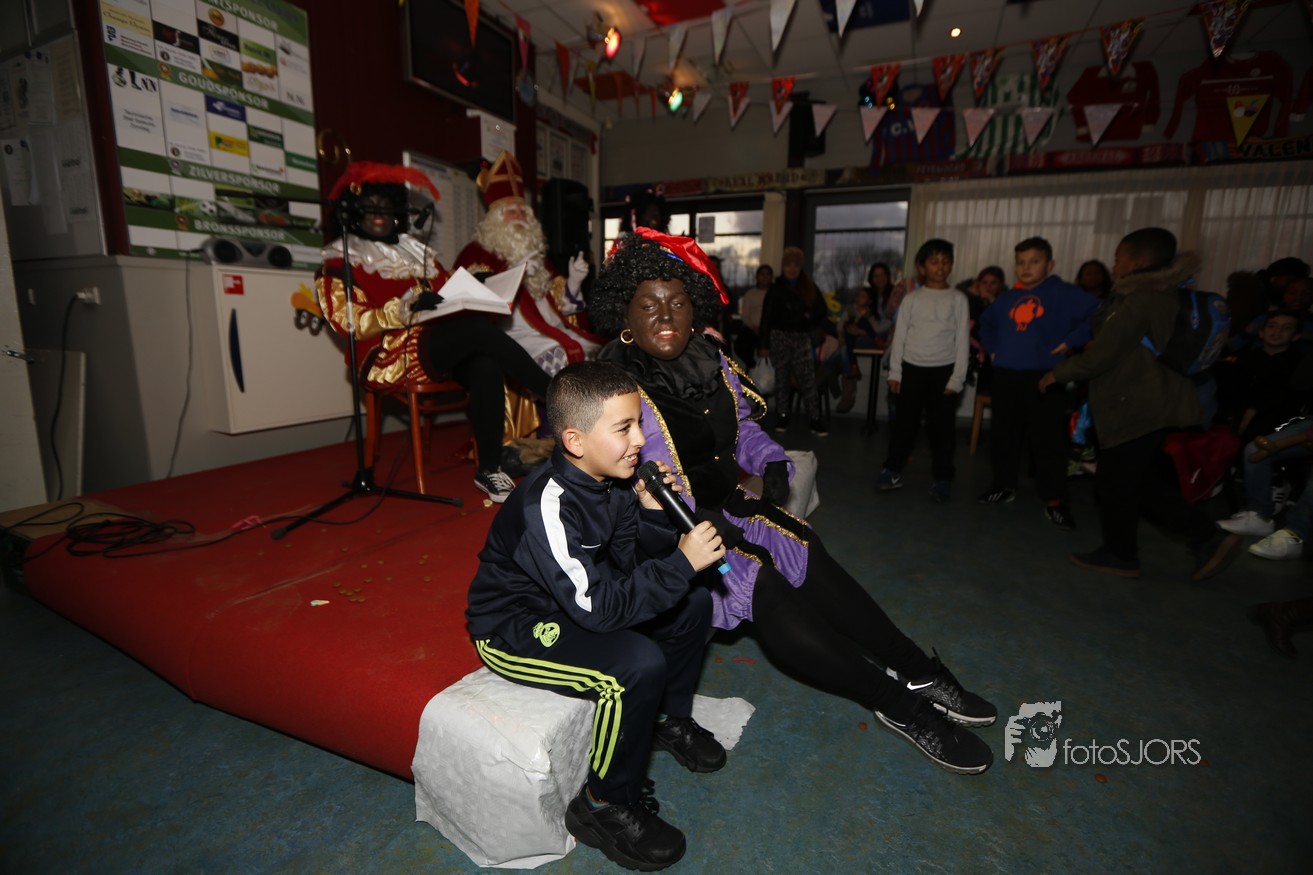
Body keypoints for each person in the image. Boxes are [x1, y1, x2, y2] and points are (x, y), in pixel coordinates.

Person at [594, 228, 996, 777]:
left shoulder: (710, 359)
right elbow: (630, 480)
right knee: (764, 587)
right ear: (625, 312)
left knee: (806, 549)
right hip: (661, 532)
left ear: (695, 308)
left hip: (723, 506)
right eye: (648, 305)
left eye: (678, 302)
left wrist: (773, 461)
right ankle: (900, 706)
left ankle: (915, 670)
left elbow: (743, 430)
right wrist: (694, 523)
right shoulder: (611, 386)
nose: (665, 316)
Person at [465, 360, 727, 872]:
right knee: (635, 664)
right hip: (516, 625)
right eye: (624, 428)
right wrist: (680, 563)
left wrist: (652, 515)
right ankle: (603, 804)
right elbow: (601, 610)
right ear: (575, 440)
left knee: (694, 602)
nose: (640, 441)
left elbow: (629, 565)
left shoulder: (613, 483)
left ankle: (668, 719)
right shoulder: (546, 503)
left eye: (639, 424)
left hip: (578, 600)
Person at [315, 162, 551, 503]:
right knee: (475, 331)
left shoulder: (414, 250)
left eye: (386, 206)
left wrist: (473, 282)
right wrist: (403, 309)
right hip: (387, 354)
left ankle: (489, 468)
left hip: (437, 346)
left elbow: (446, 287)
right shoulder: (338, 261)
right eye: (370, 207)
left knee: (485, 362)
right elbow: (348, 322)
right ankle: (553, 392)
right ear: (352, 213)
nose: (380, 214)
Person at [1040, 227, 1240, 580]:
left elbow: (1103, 354)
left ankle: (1151, 548)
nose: (1114, 264)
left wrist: (1056, 374)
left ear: (1138, 261)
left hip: (1138, 402)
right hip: (1154, 400)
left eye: (1118, 257)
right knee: (1136, 479)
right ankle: (1192, 540)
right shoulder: (1165, 292)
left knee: (1116, 482)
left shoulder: (1140, 298)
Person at [977, 237, 1099, 529]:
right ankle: (1004, 485)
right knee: (1003, 436)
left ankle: (1055, 499)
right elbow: (986, 323)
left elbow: (1101, 313)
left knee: (1048, 440)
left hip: (1045, 378)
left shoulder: (1063, 293)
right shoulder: (1008, 297)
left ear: (1050, 264)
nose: (1026, 267)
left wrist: (1072, 340)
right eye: (1020, 262)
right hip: (1006, 376)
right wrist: (992, 349)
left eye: (1034, 261)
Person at [455, 150, 602, 380]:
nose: (519, 217)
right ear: (495, 219)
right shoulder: (475, 254)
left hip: (550, 330)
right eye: (511, 212)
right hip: (513, 336)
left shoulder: (537, 255)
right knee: (563, 357)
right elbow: (470, 309)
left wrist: (573, 283)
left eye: (522, 211)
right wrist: (514, 275)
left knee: (603, 351)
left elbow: (560, 309)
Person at [876, 239, 970, 503]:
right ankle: (892, 470)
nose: (940, 267)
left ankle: (943, 478)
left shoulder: (958, 299)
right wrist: (896, 372)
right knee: (904, 425)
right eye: (934, 261)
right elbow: (900, 337)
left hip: (944, 373)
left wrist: (957, 378)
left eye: (946, 261)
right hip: (912, 370)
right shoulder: (912, 299)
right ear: (922, 266)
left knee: (942, 429)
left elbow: (962, 340)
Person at [759, 246, 831, 435]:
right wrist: (763, 345)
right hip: (779, 337)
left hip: (801, 338)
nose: (792, 269)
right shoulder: (776, 288)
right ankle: (783, 416)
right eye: (788, 265)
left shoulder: (809, 286)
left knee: (808, 379)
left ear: (800, 267)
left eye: (796, 265)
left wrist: (808, 318)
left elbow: (822, 310)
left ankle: (815, 419)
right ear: (783, 267)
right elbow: (766, 317)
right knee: (781, 379)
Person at [733, 264, 773, 367]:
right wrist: (753, 327)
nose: (765, 277)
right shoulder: (750, 294)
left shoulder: (775, 293)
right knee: (741, 346)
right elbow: (745, 315)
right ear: (757, 277)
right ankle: (752, 367)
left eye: (768, 274)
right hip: (752, 329)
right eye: (762, 274)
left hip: (771, 331)